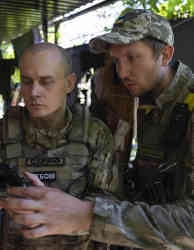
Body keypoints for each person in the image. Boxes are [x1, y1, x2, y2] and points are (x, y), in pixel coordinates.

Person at [0, 42, 116, 250]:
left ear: (69, 83)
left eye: (46, 81)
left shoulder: (95, 134)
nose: (34, 92)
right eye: (27, 81)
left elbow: (112, 209)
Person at [88, 8, 194, 249]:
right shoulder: (147, 103)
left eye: (133, 57)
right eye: (116, 61)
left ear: (165, 55)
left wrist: (88, 216)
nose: (122, 73)